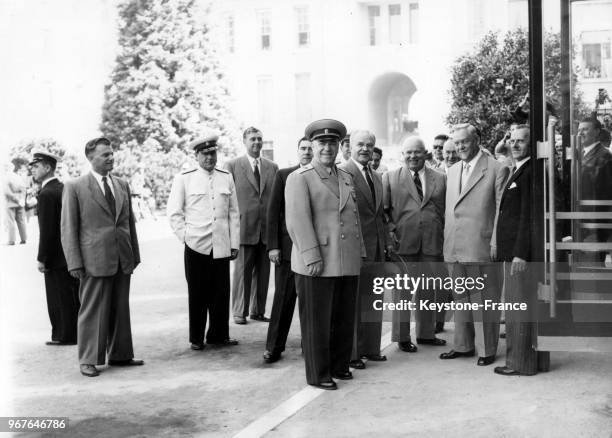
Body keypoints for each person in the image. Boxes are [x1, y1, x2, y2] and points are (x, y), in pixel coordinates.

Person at [285, 119, 364, 390]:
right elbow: (297, 220)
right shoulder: (300, 178)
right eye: (322, 143)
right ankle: (319, 374)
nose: (327, 148)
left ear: (339, 146)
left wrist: (359, 252)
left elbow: (353, 219)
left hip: (345, 259)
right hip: (317, 261)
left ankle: (339, 365)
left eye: (332, 143)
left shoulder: (345, 176)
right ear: (313, 146)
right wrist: (311, 256)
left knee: (343, 318)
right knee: (317, 322)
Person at [61, 137, 143, 377]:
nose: (111, 157)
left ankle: (120, 354)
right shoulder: (75, 186)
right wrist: (74, 262)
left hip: (122, 257)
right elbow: (68, 228)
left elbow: (129, 223)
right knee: (92, 310)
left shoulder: (121, 184)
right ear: (90, 158)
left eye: (111, 153)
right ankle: (88, 359)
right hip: (92, 260)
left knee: (121, 307)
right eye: (105, 154)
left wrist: (134, 254)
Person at [440, 123, 509, 366]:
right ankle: (463, 345)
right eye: (456, 143)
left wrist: (496, 241)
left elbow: (502, 208)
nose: (459, 147)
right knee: (460, 299)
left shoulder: (496, 168)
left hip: (481, 243)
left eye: (464, 142)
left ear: (477, 139)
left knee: (483, 300)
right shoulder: (453, 169)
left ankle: (486, 350)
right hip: (455, 245)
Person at [167, 135, 240, 351]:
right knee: (197, 293)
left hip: (221, 243)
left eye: (213, 153)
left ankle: (219, 335)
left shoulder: (226, 177)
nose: (210, 157)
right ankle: (196, 338)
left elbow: (234, 213)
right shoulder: (184, 178)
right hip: (196, 245)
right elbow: (174, 213)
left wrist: (234, 242)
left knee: (221, 292)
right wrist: (186, 237)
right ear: (196, 156)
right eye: (205, 154)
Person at [493, 125, 549, 376]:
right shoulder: (520, 169)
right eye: (512, 141)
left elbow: (529, 217)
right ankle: (526, 361)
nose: (514, 145)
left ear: (531, 144)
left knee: (518, 310)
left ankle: (518, 363)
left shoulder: (529, 172)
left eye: (520, 141)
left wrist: (520, 253)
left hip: (519, 254)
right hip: (515, 252)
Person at [383, 136, 447, 352]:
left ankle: (426, 334)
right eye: (408, 152)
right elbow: (384, 213)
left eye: (417, 152)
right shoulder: (390, 178)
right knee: (403, 292)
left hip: (432, 243)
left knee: (428, 291)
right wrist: (391, 232)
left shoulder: (440, 178)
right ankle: (401, 337)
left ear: (425, 152)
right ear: (403, 154)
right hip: (404, 244)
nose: (412, 156)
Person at [340, 130, 387, 369]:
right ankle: (354, 353)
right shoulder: (342, 172)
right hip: (356, 248)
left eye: (370, 145)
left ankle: (372, 348)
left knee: (374, 300)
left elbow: (379, 215)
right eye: (360, 144)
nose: (365, 149)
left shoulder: (377, 176)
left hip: (377, 248)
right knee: (356, 302)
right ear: (350, 146)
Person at [263, 137, 313, 363]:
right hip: (286, 249)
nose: (307, 152)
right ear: (297, 150)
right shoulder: (284, 175)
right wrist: (273, 246)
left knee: (311, 301)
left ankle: (309, 345)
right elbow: (273, 213)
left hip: (313, 250)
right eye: (303, 148)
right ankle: (274, 347)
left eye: (311, 149)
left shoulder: (321, 176)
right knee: (283, 299)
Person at [224, 127, 279, 324]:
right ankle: (240, 311)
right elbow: (227, 200)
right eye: (253, 139)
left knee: (263, 274)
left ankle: (258, 310)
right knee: (242, 273)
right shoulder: (232, 165)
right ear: (244, 141)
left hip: (265, 230)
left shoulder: (272, 167)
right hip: (244, 228)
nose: (257, 142)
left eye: (259, 139)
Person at [30, 151, 79, 346]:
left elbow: (48, 230)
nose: (32, 169)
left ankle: (64, 335)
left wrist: (42, 257)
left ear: (48, 168)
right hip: (70, 253)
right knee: (70, 295)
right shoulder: (63, 188)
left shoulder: (46, 193)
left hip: (56, 256)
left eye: (36, 165)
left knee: (58, 297)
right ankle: (74, 333)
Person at [3, 162, 27, 245]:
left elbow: (6, 191)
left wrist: (15, 198)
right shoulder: (18, 177)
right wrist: (22, 199)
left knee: (11, 221)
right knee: (21, 220)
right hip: (20, 202)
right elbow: (24, 188)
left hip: (10, 202)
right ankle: (24, 239)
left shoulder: (6, 177)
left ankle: (11, 240)